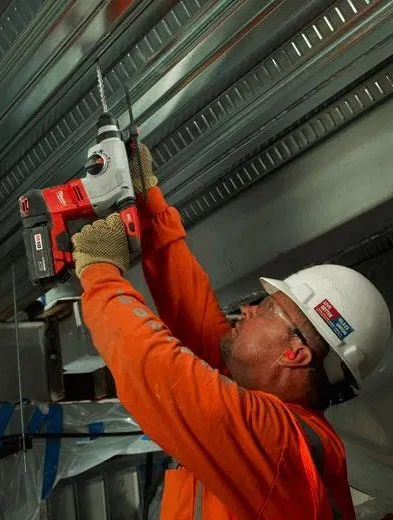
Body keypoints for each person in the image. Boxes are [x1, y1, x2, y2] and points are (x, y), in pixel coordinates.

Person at [70, 143, 391, 519]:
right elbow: (200, 326)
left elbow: (161, 373)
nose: (248, 309)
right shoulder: (273, 422)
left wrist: (100, 273)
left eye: (267, 309)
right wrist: (148, 204)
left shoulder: (282, 447)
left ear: (295, 354)